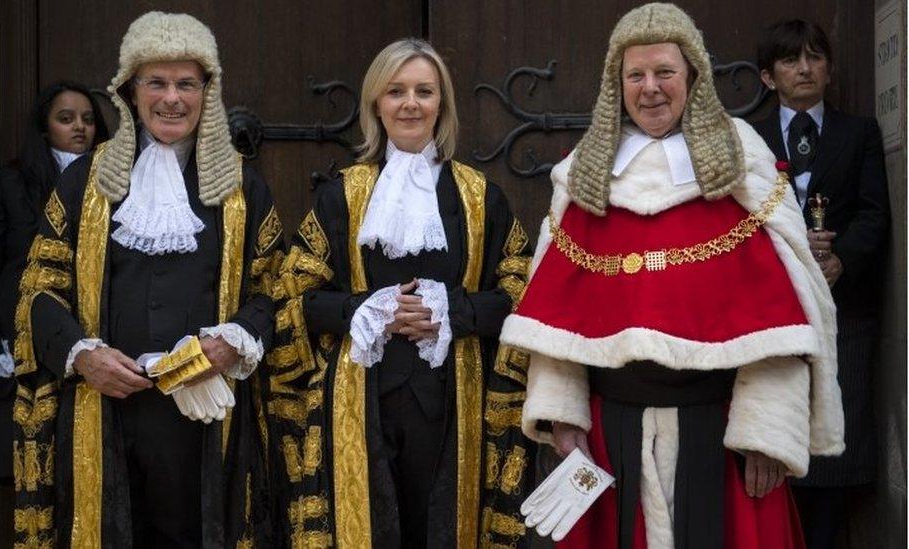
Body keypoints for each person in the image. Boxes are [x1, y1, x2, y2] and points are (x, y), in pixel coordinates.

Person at [500, 4, 844, 548]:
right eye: (635, 75)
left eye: (665, 72)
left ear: (692, 79)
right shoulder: (584, 174)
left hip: (723, 431)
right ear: (618, 84)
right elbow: (555, 320)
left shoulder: (742, 165)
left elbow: (787, 314)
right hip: (610, 428)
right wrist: (563, 417)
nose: (651, 88)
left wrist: (767, 430)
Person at [12, 12, 282, 547]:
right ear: (130, 92)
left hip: (206, 415)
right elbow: (39, 285)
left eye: (186, 83)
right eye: (155, 82)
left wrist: (231, 344)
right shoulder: (83, 182)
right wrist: (81, 356)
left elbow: (276, 289)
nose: (171, 99)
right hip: (104, 409)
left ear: (208, 92)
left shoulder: (242, 189)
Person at [265, 38, 533, 548]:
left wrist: (451, 310)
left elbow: (519, 290)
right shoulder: (340, 194)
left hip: (454, 402)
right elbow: (295, 296)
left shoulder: (481, 197)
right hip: (361, 401)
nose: (410, 103)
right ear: (376, 105)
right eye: (396, 91)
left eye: (424, 91)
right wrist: (367, 311)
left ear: (442, 105)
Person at [753, 19, 890, 549]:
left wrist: (842, 263)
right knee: (775, 440)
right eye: (790, 60)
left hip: (844, 315)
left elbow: (876, 214)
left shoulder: (860, 134)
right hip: (775, 314)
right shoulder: (751, 141)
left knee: (836, 451)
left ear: (830, 69)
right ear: (768, 77)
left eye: (814, 58)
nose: (804, 69)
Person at [0, 81, 108, 484]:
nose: (80, 127)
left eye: (89, 119)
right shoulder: (10, 182)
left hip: (92, 337)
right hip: (20, 335)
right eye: (66, 118)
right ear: (45, 128)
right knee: (27, 471)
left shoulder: (114, 183)